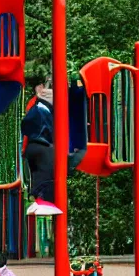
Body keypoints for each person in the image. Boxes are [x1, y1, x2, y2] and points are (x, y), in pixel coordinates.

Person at [21, 76, 85, 215]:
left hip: (43, 148)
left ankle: (41, 200)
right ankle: (44, 200)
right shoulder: (38, 105)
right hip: (40, 147)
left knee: (54, 168)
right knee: (49, 169)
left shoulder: (53, 104)